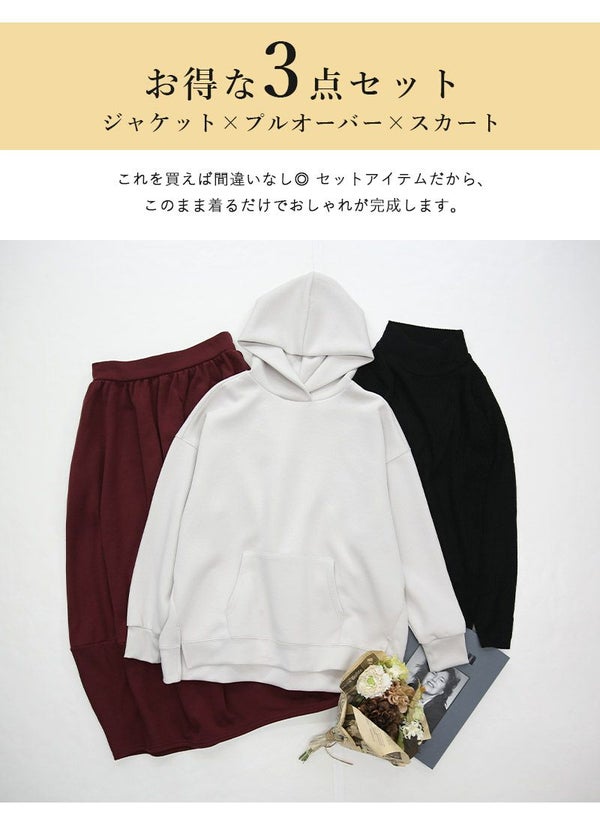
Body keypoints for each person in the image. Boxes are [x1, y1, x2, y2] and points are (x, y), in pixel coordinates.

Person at [416, 667, 461, 732]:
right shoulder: (409, 688)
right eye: (434, 673)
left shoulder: (438, 715)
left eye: (441, 680)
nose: (434, 679)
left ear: (443, 691)